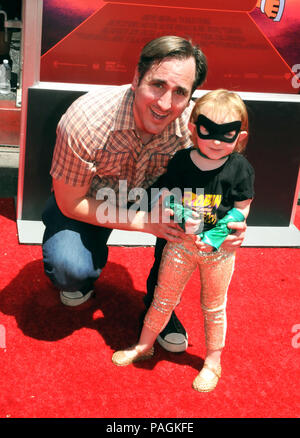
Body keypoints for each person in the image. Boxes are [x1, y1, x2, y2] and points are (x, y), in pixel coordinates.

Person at [42, 35, 246, 354]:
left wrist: (231, 225)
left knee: (192, 218)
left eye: (180, 92)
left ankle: (160, 304)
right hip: (92, 198)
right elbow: (71, 202)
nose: (165, 104)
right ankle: (81, 272)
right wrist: (143, 222)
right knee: (69, 268)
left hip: (156, 198)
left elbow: (224, 193)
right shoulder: (85, 120)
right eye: (157, 85)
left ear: (192, 97)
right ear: (136, 78)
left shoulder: (197, 133)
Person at [112, 89, 255, 393]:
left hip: (217, 253)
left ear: (239, 136)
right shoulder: (180, 161)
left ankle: (213, 361)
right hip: (178, 244)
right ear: (193, 128)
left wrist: (218, 234)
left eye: (226, 134)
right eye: (208, 131)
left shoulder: (241, 169)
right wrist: (170, 210)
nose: (216, 141)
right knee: (163, 297)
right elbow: (165, 194)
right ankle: (144, 345)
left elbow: (241, 212)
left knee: (214, 307)